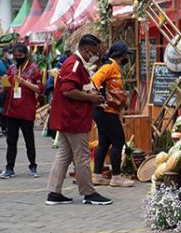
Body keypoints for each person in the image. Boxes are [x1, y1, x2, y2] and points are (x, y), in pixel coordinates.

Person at [46, 34, 112, 205]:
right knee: (82, 156)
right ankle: (88, 193)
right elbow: (67, 90)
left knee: (64, 155)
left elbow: (75, 88)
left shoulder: (74, 64)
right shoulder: (74, 64)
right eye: (95, 52)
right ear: (87, 50)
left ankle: (54, 193)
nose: (96, 56)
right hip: (73, 119)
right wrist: (90, 98)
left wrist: (92, 97)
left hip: (68, 118)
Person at [91, 41, 134, 187]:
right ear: (120, 55)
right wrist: (99, 99)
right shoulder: (109, 67)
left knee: (104, 143)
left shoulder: (114, 67)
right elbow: (94, 81)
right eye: (126, 55)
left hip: (104, 111)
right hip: (105, 111)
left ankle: (97, 176)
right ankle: (116, 177)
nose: (127, 58)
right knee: (118, 141)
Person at [0, 43, 43, 179]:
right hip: (11, 109)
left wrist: (24, 82)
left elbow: (39, 89)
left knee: (29, 140)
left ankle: (33, 166)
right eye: (16, 56)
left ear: (26, 55)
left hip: (26, 110)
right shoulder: (12, 68)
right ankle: (9, 167)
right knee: (11, 141)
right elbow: (7, 85)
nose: (17, 58)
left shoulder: (34, 69)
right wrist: (3, 86)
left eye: (20, 56)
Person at [0, 45, 12, 137]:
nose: (11, 54)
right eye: (9, 52)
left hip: (9, 88)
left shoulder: (11, 63)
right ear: (4, 53)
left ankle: (5, 128)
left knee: (6, 109)